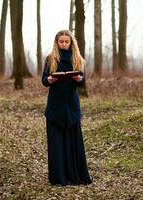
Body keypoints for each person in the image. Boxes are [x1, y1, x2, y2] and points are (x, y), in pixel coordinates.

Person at [41, 30, 92, 186]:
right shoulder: (50, 59)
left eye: (66, 41)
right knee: (56, 143)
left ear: (71, 42)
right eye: (61, 41)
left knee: (73, 142)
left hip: (71, 106)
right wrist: (50, 79)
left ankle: (75, 176)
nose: (63, 44)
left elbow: (82, 81)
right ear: (57, 42)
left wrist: (79, 78)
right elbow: (44, 80)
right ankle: (58, 178)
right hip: (55, 106)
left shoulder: (77, 59)